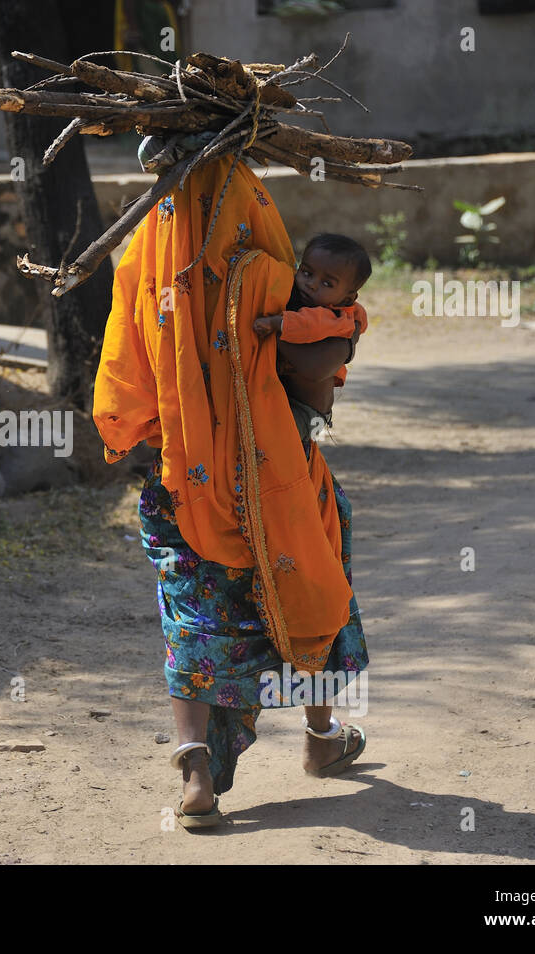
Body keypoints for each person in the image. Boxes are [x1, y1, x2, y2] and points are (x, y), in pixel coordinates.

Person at [93, 152, 368, 830]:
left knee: (190, 617)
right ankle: (322, 734)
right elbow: (322, 364)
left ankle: (196, 775)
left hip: (181, 487)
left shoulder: (146, 264)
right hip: (275, 484)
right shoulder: (271, 276)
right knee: (309, 579)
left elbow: (126, 376)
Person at [253, 233, 371, 454]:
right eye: (306, 273)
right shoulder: (336, 311)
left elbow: (305, 327)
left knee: (262, 443)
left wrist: (273, 324)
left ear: (346, 298)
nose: (312, 285)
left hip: (307, 413)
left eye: (327, 283)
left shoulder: (326, 318)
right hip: (293, 404)